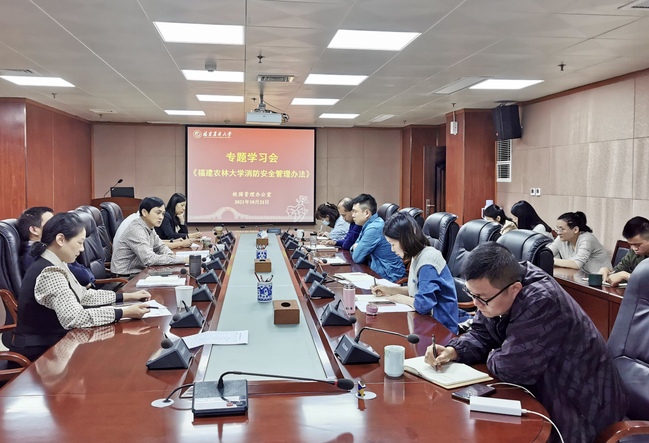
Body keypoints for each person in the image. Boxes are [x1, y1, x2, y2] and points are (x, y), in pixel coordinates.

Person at [424, 243, 626, 443]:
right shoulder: (499, 288)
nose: (476, 304)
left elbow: (513, 368)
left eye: (481, 298)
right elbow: (482, 334)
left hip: (580, 409)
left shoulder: (542, 300)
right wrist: (454, 350)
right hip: (544, 392)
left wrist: (494, 352)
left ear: (514, 289)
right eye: (472, 295)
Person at [11, 212, 152, 362]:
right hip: (41, 357)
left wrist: (127, 297)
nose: (82, 249)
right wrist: (124, 312)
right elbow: (75, 318)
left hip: (58, 345)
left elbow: (83, 295)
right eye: (80, 242)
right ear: (60, 239)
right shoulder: (50, 272)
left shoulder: (56, 262)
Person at [370, 213, 467, 334]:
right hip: (427, 321)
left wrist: (400, 298)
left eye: (393, 244)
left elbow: (423, 304)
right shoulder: (418, 255)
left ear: (405, 239)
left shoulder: (428, 261)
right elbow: (416, 290)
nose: (392, 249)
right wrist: (389, 290)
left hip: (441, 327)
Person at [18, 206, 95, 287]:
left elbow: (85, 271)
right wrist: (87, 280)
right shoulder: (34, 255)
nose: (55, 225)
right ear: (34, 230)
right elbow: (84, 277)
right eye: (50, 222)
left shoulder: (53, 247)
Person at [110, 197, 188, 276]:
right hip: (125, 277)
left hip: (139, 272)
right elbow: (149, 259)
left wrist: (171, 256)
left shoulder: (149, 226)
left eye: (163, 214)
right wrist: (183, 260)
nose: (161, 217)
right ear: (144, 212)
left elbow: (160, 246)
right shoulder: (136, 230)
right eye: (158, 213)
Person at [350, 194, 405, 282]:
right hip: (379, 271)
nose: (352, 215)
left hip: (389, 275)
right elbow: (353, 249)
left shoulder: (374, 228)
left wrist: (356, 247)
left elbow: (357, 257)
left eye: (355, 212)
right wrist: (355, 247)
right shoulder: (369, 224)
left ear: (367, 213)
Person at [599, 216, 649, 286]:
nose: (634, 248)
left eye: (638, 245)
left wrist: (626, 276)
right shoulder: (633, 252)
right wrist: (608, 273)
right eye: (631, 244)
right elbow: (619, 271)